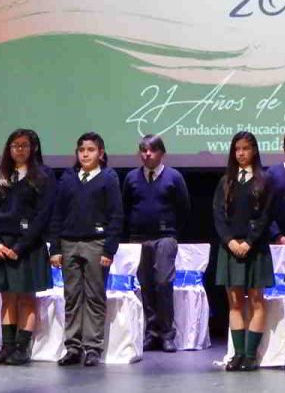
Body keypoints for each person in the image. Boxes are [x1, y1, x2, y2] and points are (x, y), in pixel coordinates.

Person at [0, 129, 56, 366]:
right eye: (15, 145)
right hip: (0, 246)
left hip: (28, 246)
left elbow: (43, 216)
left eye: (24, 145)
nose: (20, 150)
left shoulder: (43, 176)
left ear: (33, 148)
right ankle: (7, 346)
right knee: (7, 299)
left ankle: (22, 348)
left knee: (26, 298)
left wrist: (20, 247)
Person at [50, 132, 123, 367]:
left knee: (94, 296)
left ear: (100, 154)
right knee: (71, 296)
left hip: (96, 244)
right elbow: (57, 214)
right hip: (69, 243)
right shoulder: (68, 178)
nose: (85, 154)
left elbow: (116, 215)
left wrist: (109, 249)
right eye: (81, 149)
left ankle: (92, 347)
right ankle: (73, 347)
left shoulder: (108, 178)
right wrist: (55, 248)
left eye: (90, 150)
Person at [122, 134, 190, 353]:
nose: (146, 154)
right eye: (143, 150)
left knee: (163, 283)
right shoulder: (131, 178)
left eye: (151, 150)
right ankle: (151, 333)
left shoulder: (174, 177)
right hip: (138, 238)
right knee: (146, 286)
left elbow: (184, 209)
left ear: (162, 153)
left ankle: (167, 334)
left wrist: (171, 232)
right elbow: (126, 207)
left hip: (165, 237)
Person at [213, 131, 274, 372]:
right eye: (237, 149)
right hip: (230, 248)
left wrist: (249, 241)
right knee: (235, 302)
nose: (241, 153)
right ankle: (237, 354)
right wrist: (230, 242)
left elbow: (266, 216)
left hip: (255, 248)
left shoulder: (264, 180)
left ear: (254, 151)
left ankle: (250, 355)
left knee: (257, 301)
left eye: (246, 148)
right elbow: (218, 216)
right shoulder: (226, 181)